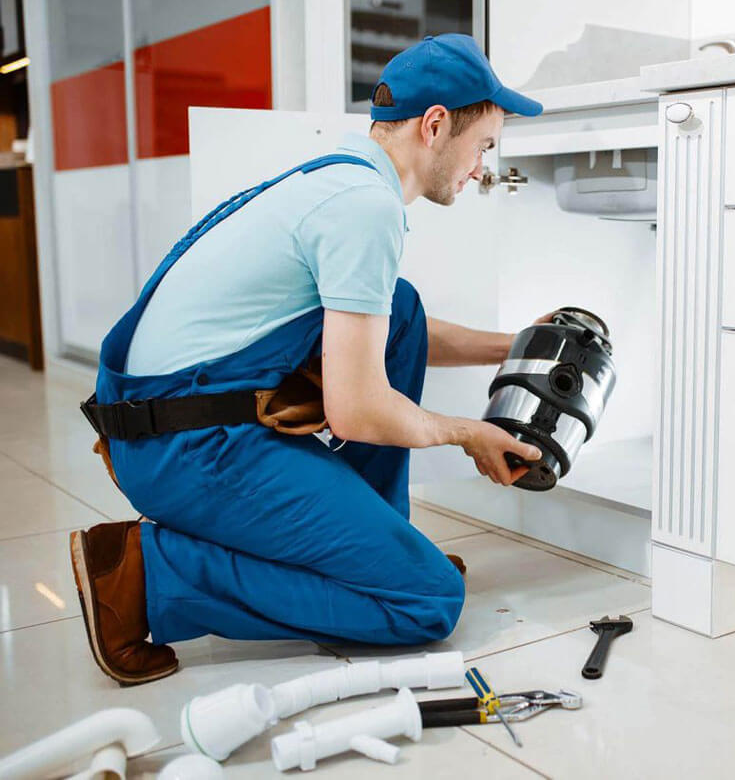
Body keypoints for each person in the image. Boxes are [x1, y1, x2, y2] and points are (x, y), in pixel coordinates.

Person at [70, 34, 545, 686]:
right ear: (437, 125)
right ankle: (151, 573)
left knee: (399, 310)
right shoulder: (365, 208)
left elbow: (377, 327)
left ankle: (377, 549)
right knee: (427, 601)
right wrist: (468, 431)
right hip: (186, 448)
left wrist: (515, 342)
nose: (482, 167)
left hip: (166, 422)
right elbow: (356, 411)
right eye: (484, 146)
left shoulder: (336, 178)